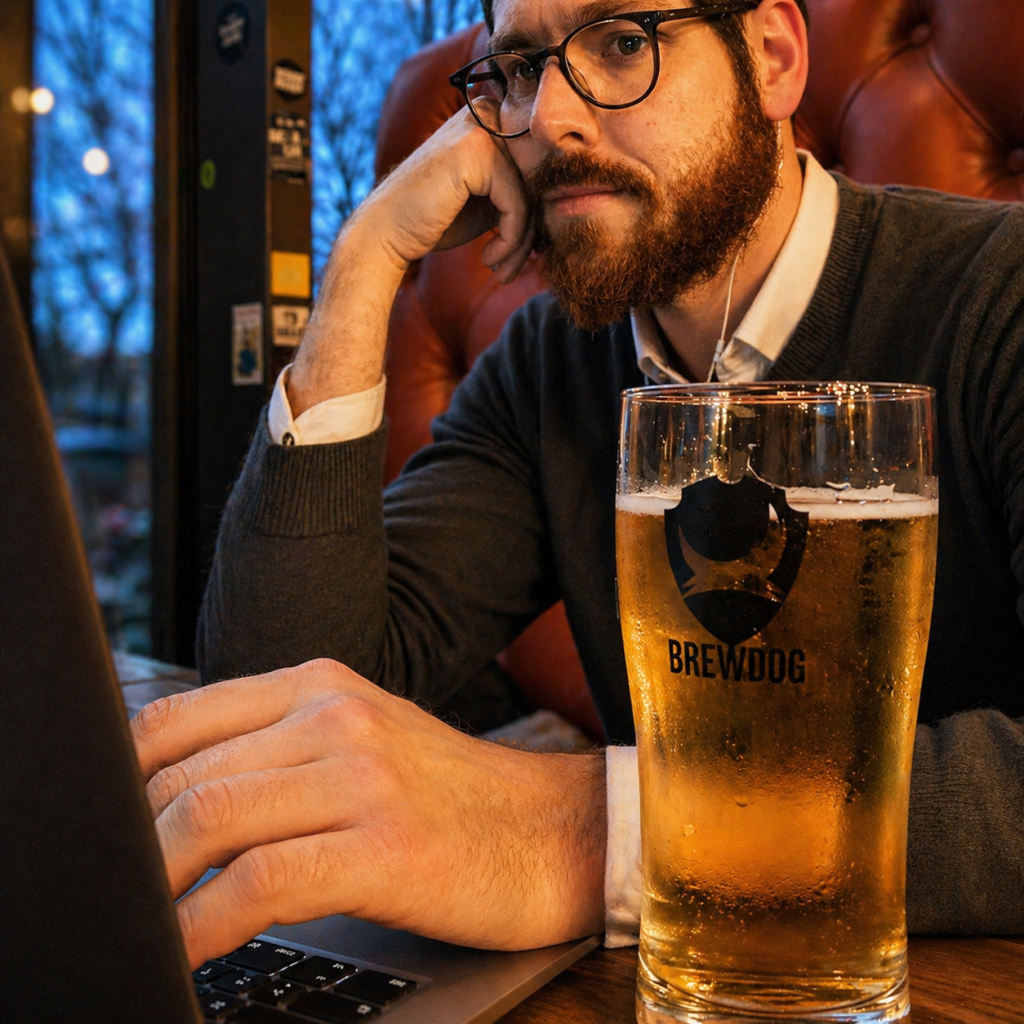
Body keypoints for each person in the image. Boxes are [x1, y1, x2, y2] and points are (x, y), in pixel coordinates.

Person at [131, 0, 1024, 969]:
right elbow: (281, 701)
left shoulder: (997, 297)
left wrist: (582, 832)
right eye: (516, 68)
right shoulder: (550, 367)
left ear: (770, 59)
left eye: (621, 42)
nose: (548, 116)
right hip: (670, 980)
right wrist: (365, 260)